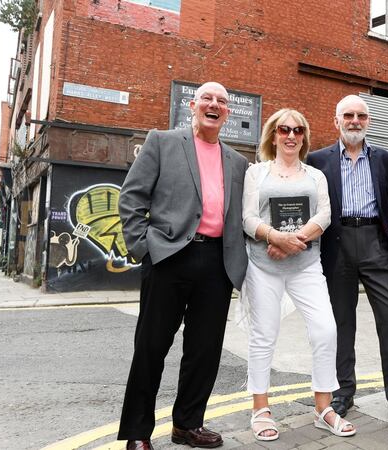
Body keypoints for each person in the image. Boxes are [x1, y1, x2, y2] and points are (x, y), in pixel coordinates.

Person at [117, 81, 249, 450]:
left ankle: (187, 425)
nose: (214, 104)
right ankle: (138, 433)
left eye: (221, 101)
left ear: (228, 113)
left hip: (216, 261)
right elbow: (132, 197)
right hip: (169, 257)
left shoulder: (237, 161)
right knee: (151, 347)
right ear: (192, 105)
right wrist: (144, 247)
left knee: (204, 351)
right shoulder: (162, 142)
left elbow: (239, 213)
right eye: (207, 98)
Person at [306, 94, 388, 433]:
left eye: (361, 115)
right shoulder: (317, 160)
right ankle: (342, 392)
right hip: (336, 242)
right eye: (348, 115)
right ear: (336, 121)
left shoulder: (387, 160)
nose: (355, 120)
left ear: (368, 121)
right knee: (340, 323)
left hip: (375, 240)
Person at [241, 108, 355, 441]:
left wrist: (294, 241)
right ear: (272, 135)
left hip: (305, 265)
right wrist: (274, 238)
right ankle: (260, 408)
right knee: (264, 336)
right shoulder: (256, 173)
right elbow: (248, 218)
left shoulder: (314, 175)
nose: (291, 136)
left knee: (325, 329)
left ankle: (323, 408)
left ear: (304, 137)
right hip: (263, 266)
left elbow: (325, 214)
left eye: (298, 130)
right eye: (284, 129)